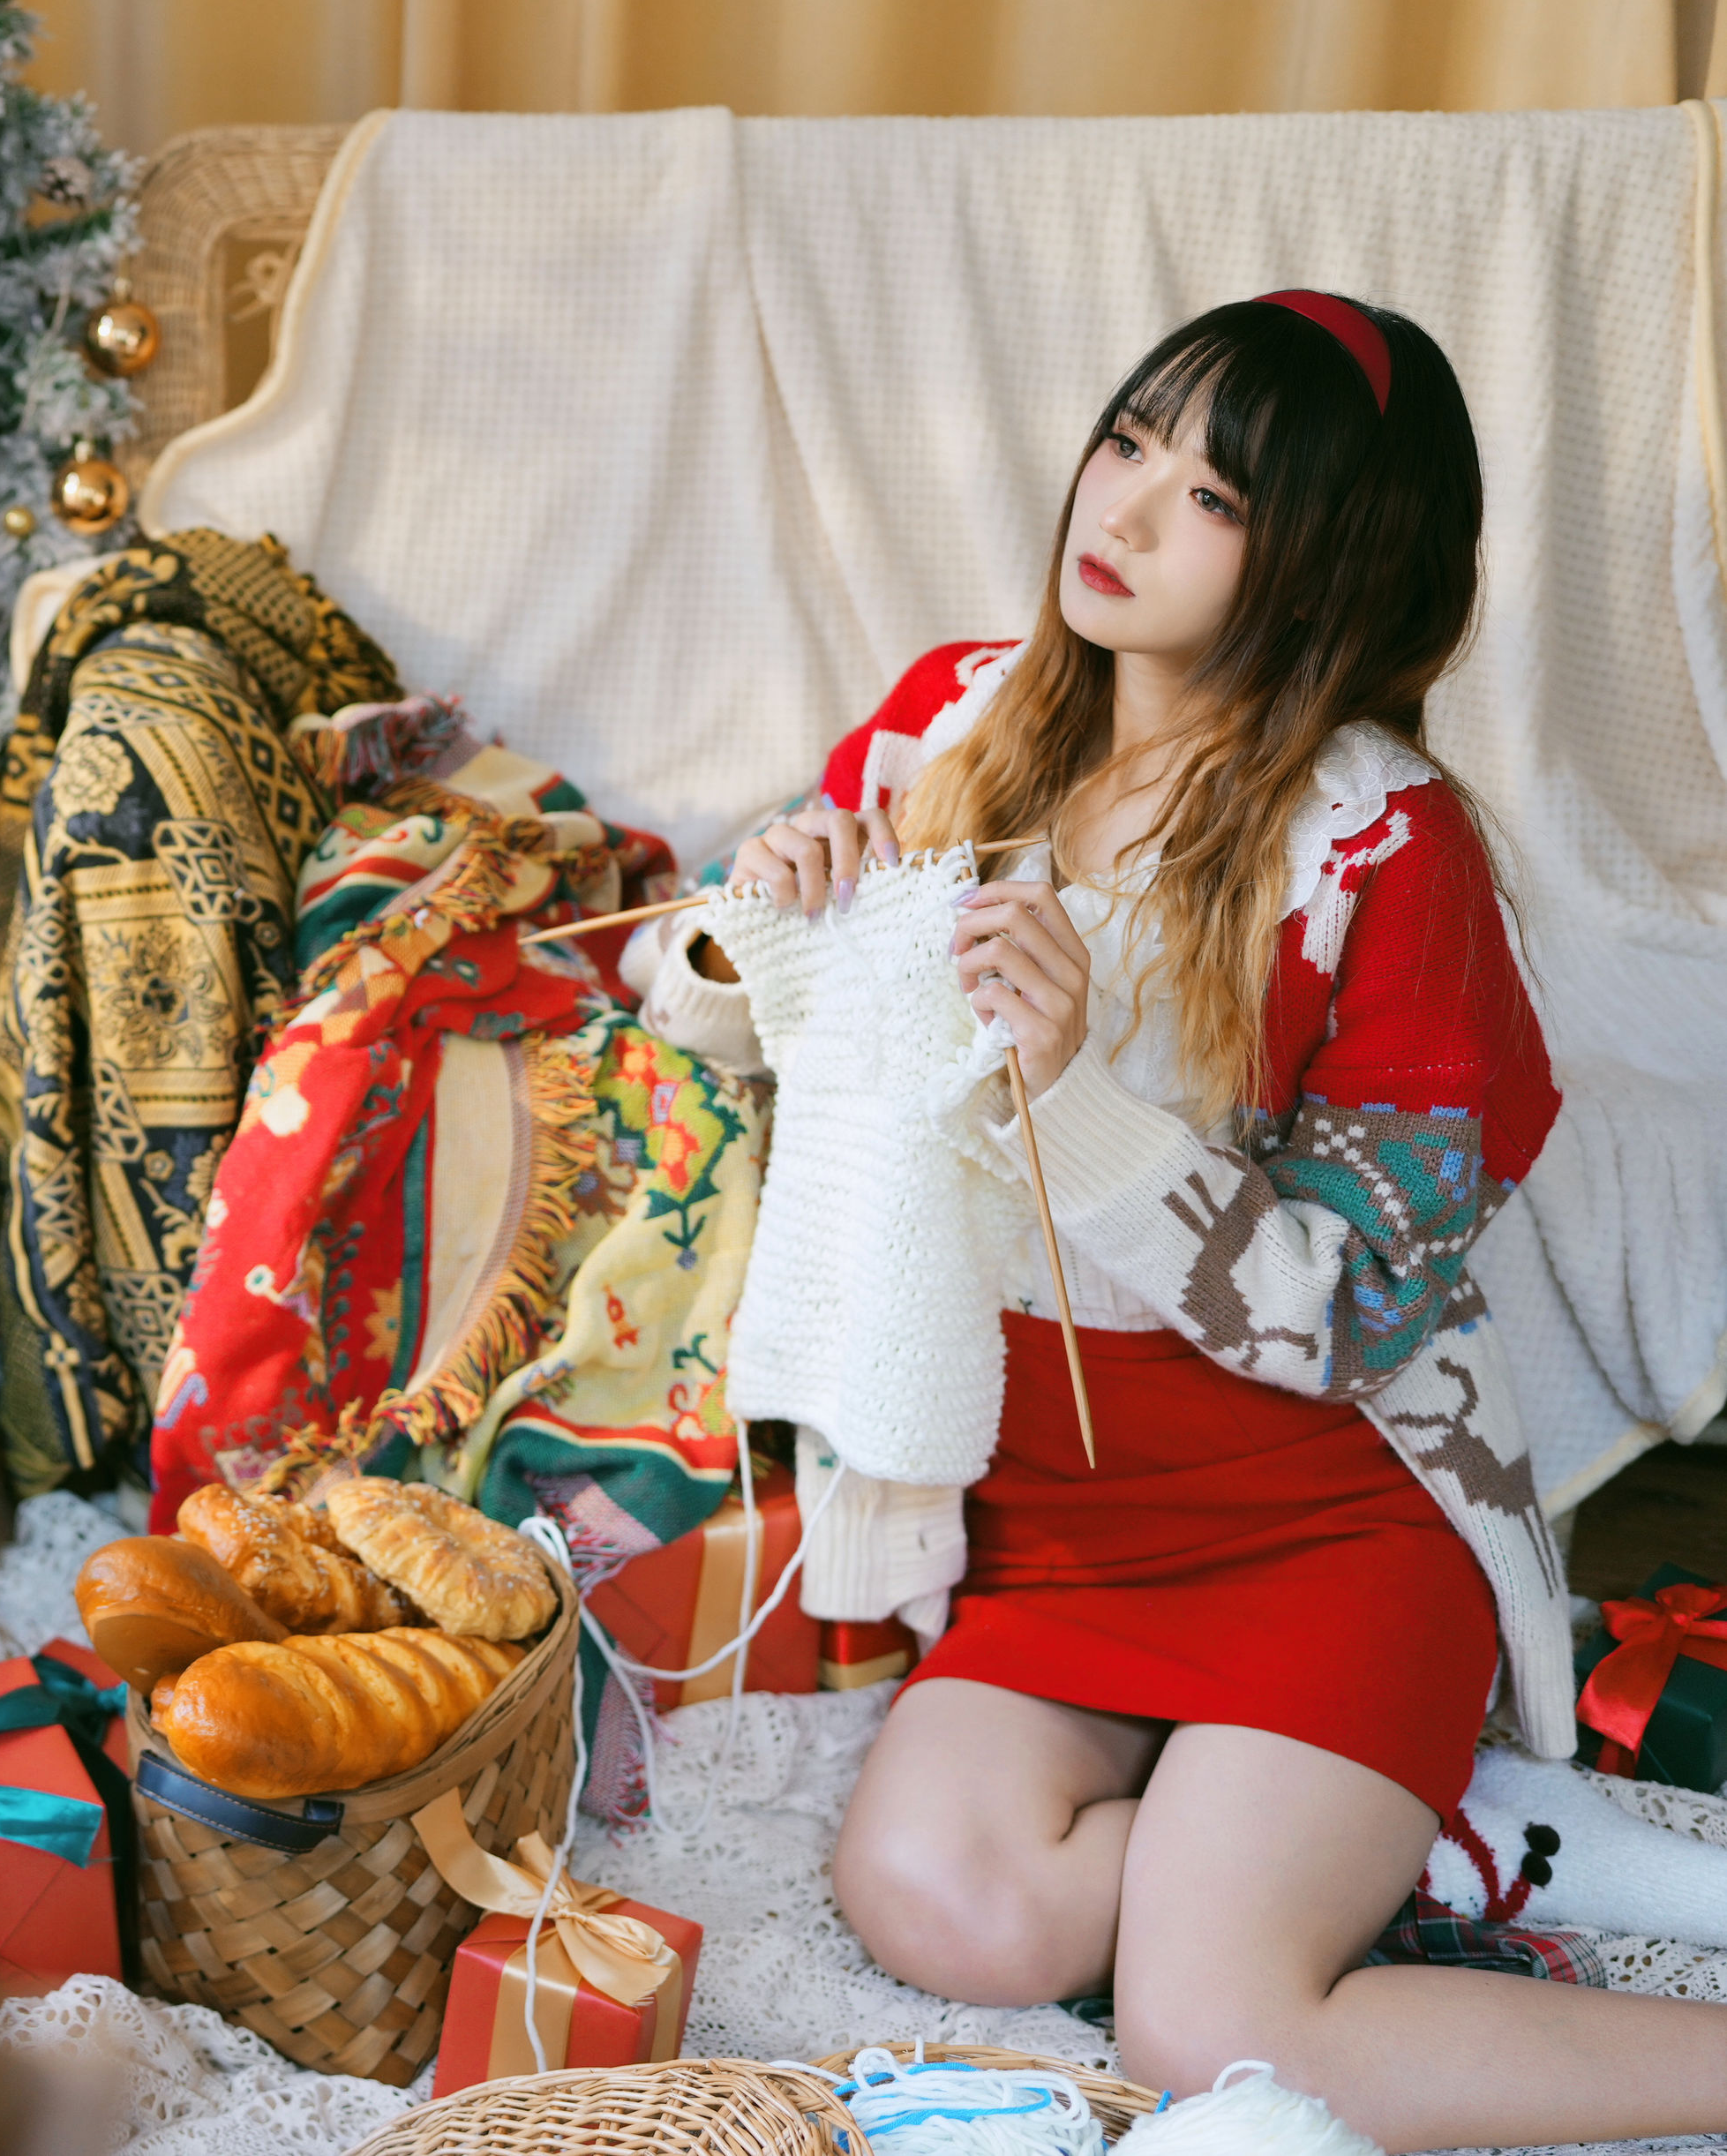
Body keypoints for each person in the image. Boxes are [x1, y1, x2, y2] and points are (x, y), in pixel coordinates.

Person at [630, 294, 1727, 2146]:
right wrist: (757, 924)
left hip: (1322, 1515)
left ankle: (1401, 1850)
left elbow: (1358, 1308)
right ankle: (1430, 1837)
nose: (1120, 510)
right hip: (1053, 1517)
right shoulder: (954, 722)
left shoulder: (1385, 850)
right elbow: (717, 997)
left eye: (1209, 497)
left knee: (1209, 2027)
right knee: (943, 1904)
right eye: (1130, 440)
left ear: (1328, 563)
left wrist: (1080, 1091)